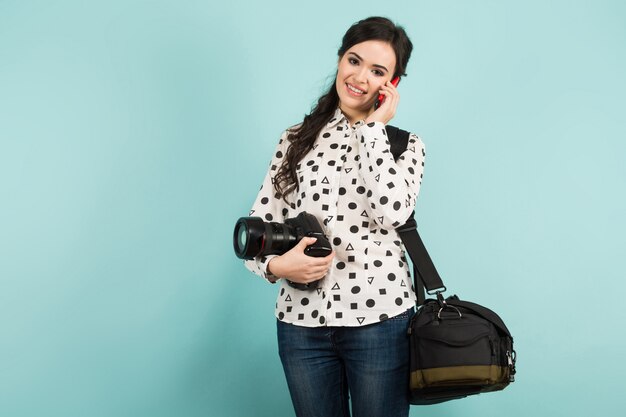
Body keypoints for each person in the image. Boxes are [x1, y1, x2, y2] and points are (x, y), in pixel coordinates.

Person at [243, 16, 425, 417]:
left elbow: (393, 213)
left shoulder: (404, 145)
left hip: (381, 320)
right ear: (341, 60)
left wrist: (373, 131)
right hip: (300, 323)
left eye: (378, 71)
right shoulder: (295, 139)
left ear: (392, 84)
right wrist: (276, 265)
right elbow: (258, 227)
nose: (360, 77)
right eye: (354, 60)